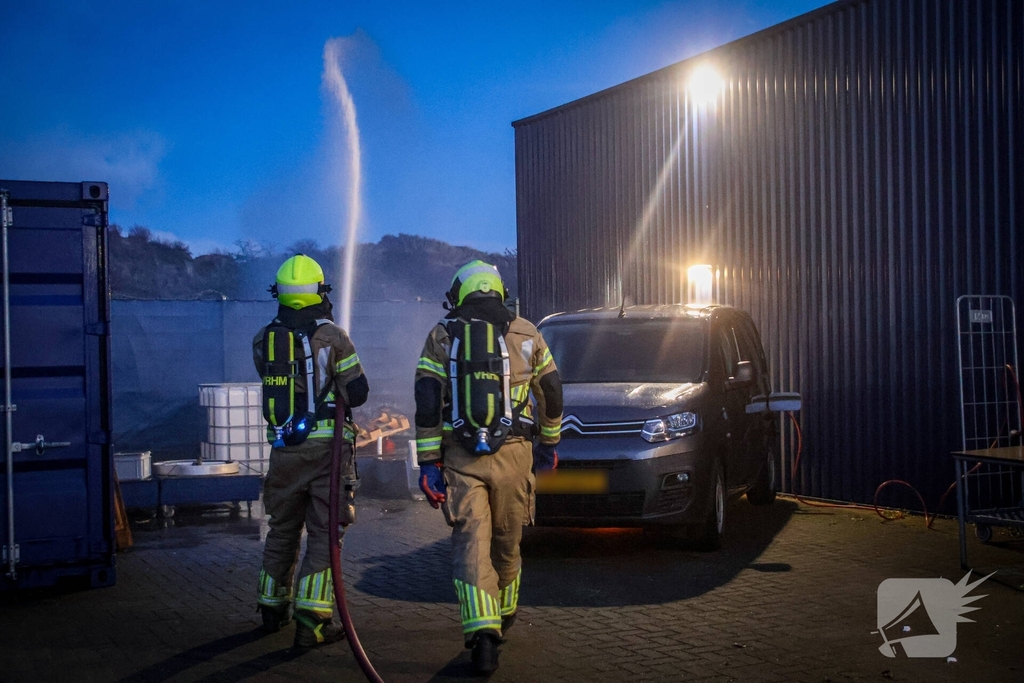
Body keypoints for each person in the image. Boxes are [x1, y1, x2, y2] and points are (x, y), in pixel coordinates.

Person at [414, 260, 563, 674]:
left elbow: (427, 398)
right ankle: (504, 612)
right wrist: (549, 443)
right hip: (515, 452)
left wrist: (428, 463)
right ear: (499, 292)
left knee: (470, 540)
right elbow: (551, 390)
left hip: (462, 457)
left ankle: (482, 630)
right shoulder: (526, 332)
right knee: (507, 539)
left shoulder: (442, 335)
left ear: (459, 293)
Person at [253, 254, 369, 649]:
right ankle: (312, 620)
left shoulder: (263, 339)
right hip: (327, 451)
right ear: (320, 290)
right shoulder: (333, 337)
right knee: (324, 532)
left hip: (284, 449)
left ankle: (271, 607)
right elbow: (358, 392)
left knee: (282, 528)